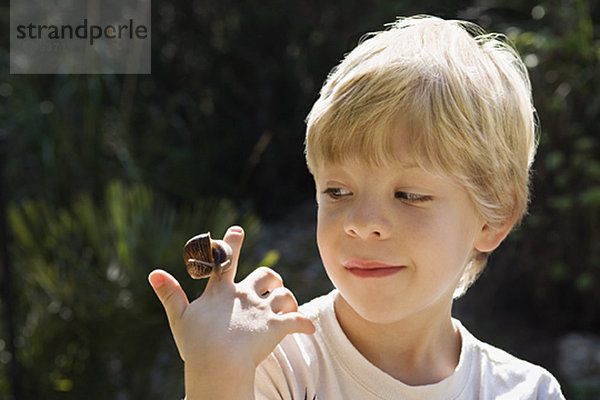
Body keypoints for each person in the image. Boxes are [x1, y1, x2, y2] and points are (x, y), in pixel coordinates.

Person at [148, 15, 565, 399]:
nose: (362, 224)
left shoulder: (528, 392)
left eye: (409, 195)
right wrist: (214, 370)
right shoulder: (270, 365)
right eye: (337, 192)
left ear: (494, 216)